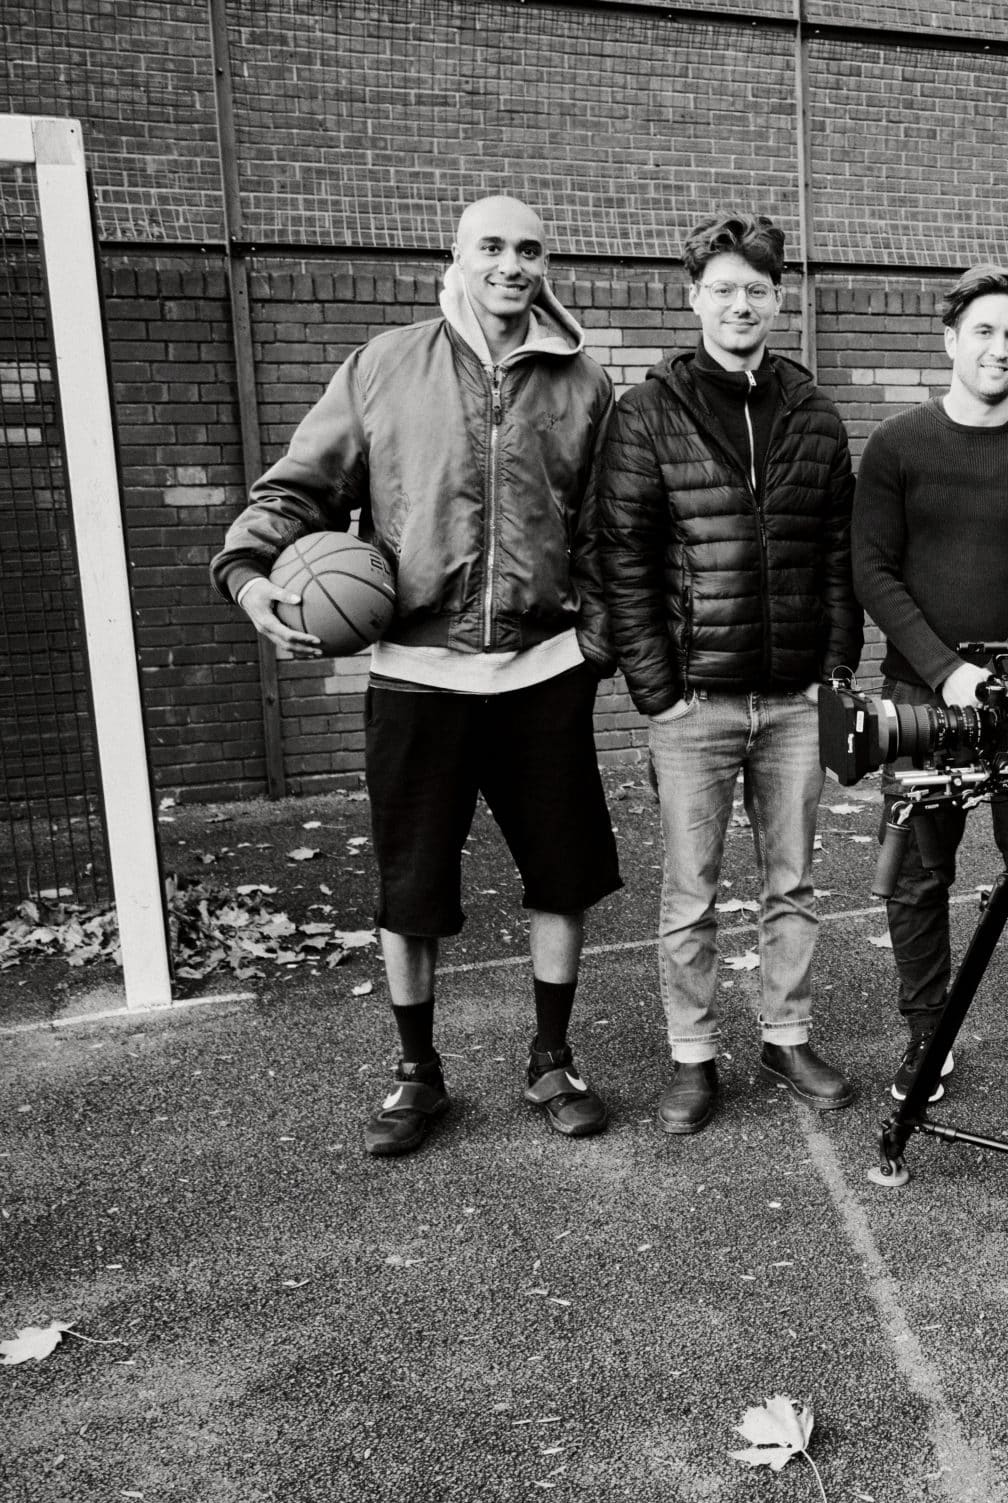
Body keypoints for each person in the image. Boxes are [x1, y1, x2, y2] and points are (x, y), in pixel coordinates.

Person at [212, 195, 621, 1157]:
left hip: (542, 672)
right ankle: (417, 1073)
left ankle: (551, 1059)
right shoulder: (384, 365)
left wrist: (597, 639)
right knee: (411, 888)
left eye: (529, 249)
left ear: (546, 265)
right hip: (415, 675)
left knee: (561, 879)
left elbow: (610, 526)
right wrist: (248, 569)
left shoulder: (584, 383)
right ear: (458, 256)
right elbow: (300, 489)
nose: (511, 264)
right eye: (493, 246)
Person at [591, 211, 862, 1136]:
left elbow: (837, 555)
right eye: (723, 289)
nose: (740, 303)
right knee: (690, 894)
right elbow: (622, 558)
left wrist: (832, 672)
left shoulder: (813, 412)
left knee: (793, 884)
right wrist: (657, 691)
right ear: (693, 297)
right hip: (695, 702)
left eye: (756, 288)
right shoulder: (647, 413)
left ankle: (787, 1037)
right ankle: (693, 1056)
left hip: (793, 700)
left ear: (778, 299)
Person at [851, 265, 1008, 1102]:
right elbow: (872, 569)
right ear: (951, 339)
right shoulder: (897, 444)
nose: (1000, 348)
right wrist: (948, 671)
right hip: (921, 698)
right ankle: (928, 1035)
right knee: (918, 879)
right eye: (984, 331)